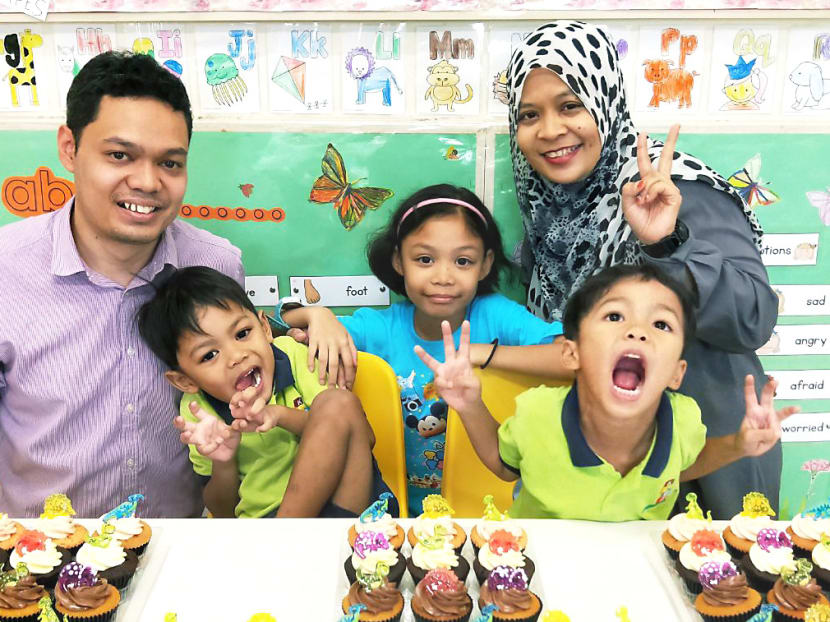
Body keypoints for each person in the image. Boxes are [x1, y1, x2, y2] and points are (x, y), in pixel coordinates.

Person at [506, 21, 780, 517]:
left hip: (707, 464)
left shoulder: (667, 187)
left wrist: (664, 242)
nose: (549, 130)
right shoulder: (552, 209)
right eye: (529, 115)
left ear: (606, 99)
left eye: (570, 105)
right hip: (609, 474)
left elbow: (753, 315)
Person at [0, 52, 243, 517]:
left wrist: (307, 316)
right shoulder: (6, 272)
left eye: (170, 164)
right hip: (41, 558)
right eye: (120, 155)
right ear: (69, 148)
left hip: (180, 550)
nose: (147, 182)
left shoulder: (216, 266)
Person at [415, 264, 795, 520]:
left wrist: (739, 445)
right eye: (615, 316)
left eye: (661, 323)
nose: (637, 331)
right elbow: (502, 464)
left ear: (677, 374)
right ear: (571, 352)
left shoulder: (684, 419)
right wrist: (469, 403)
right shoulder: (537, 412)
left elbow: (682, 465)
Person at [281, 184, 570, 516]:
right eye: (425, 259)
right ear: (399, 261)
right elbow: (280, 322)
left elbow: (572, 356)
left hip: (485, 513)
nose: (443, 277)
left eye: (463, 261)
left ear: (485, 264)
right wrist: (317, 315)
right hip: (392, 515)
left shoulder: (496, 315)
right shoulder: (380, 328)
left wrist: (480, 353)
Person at [136, 266, 394, 518]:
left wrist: (279, 415)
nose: (237, 356)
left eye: (242, 333)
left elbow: (362, 435)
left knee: (338, 402)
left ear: (265, 328)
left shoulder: (293, 355)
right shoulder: (198, 412)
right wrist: (223, 460)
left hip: (345, 508)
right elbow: (224, 511)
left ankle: (284, 537)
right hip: (263, 526)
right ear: (184, 381)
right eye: (209, 355)